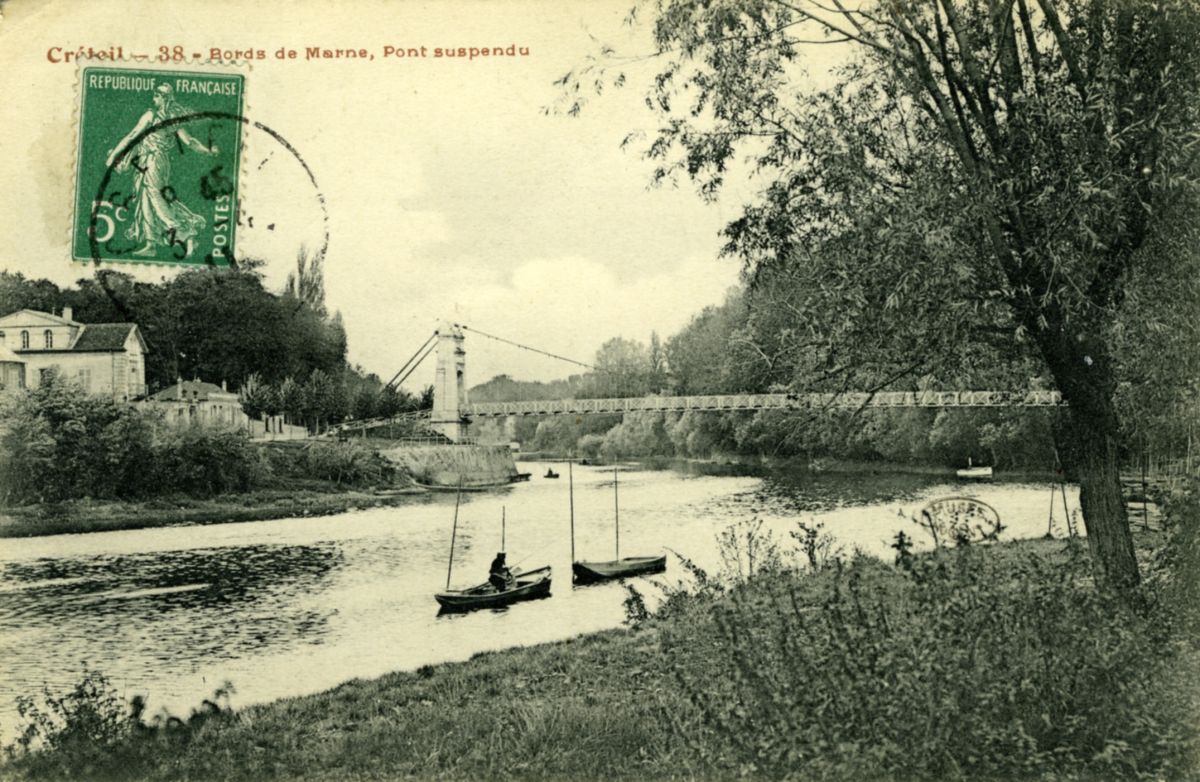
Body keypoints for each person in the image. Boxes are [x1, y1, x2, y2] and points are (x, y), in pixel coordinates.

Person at [104, 84, 218, 258]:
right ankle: (151, 244)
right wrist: (207, 151)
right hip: (152, 161)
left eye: (156, 96)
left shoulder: (151, 115)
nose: (153, 99)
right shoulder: (172, 118)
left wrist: (113, 156)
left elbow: (132, 136)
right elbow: (190, 142)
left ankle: (185, 233)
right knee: (145, 199)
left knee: (156, 198)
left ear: (164, 98)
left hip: (153, 161)